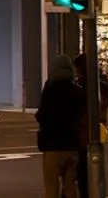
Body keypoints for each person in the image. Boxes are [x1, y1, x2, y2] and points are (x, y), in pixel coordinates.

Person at [36, 55, 84, 198]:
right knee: (70, 187)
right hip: (71, 143)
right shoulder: (76, 91)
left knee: (51, 187)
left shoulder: (50, 90)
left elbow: (42, 115)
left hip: (52, 145)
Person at [74, 53, 108, 198]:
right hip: (90, 134)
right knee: (85, 177)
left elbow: (86, 113)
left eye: (77, 69)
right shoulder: (98, 86)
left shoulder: (86, 87)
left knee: (83, 177)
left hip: (85, 137)